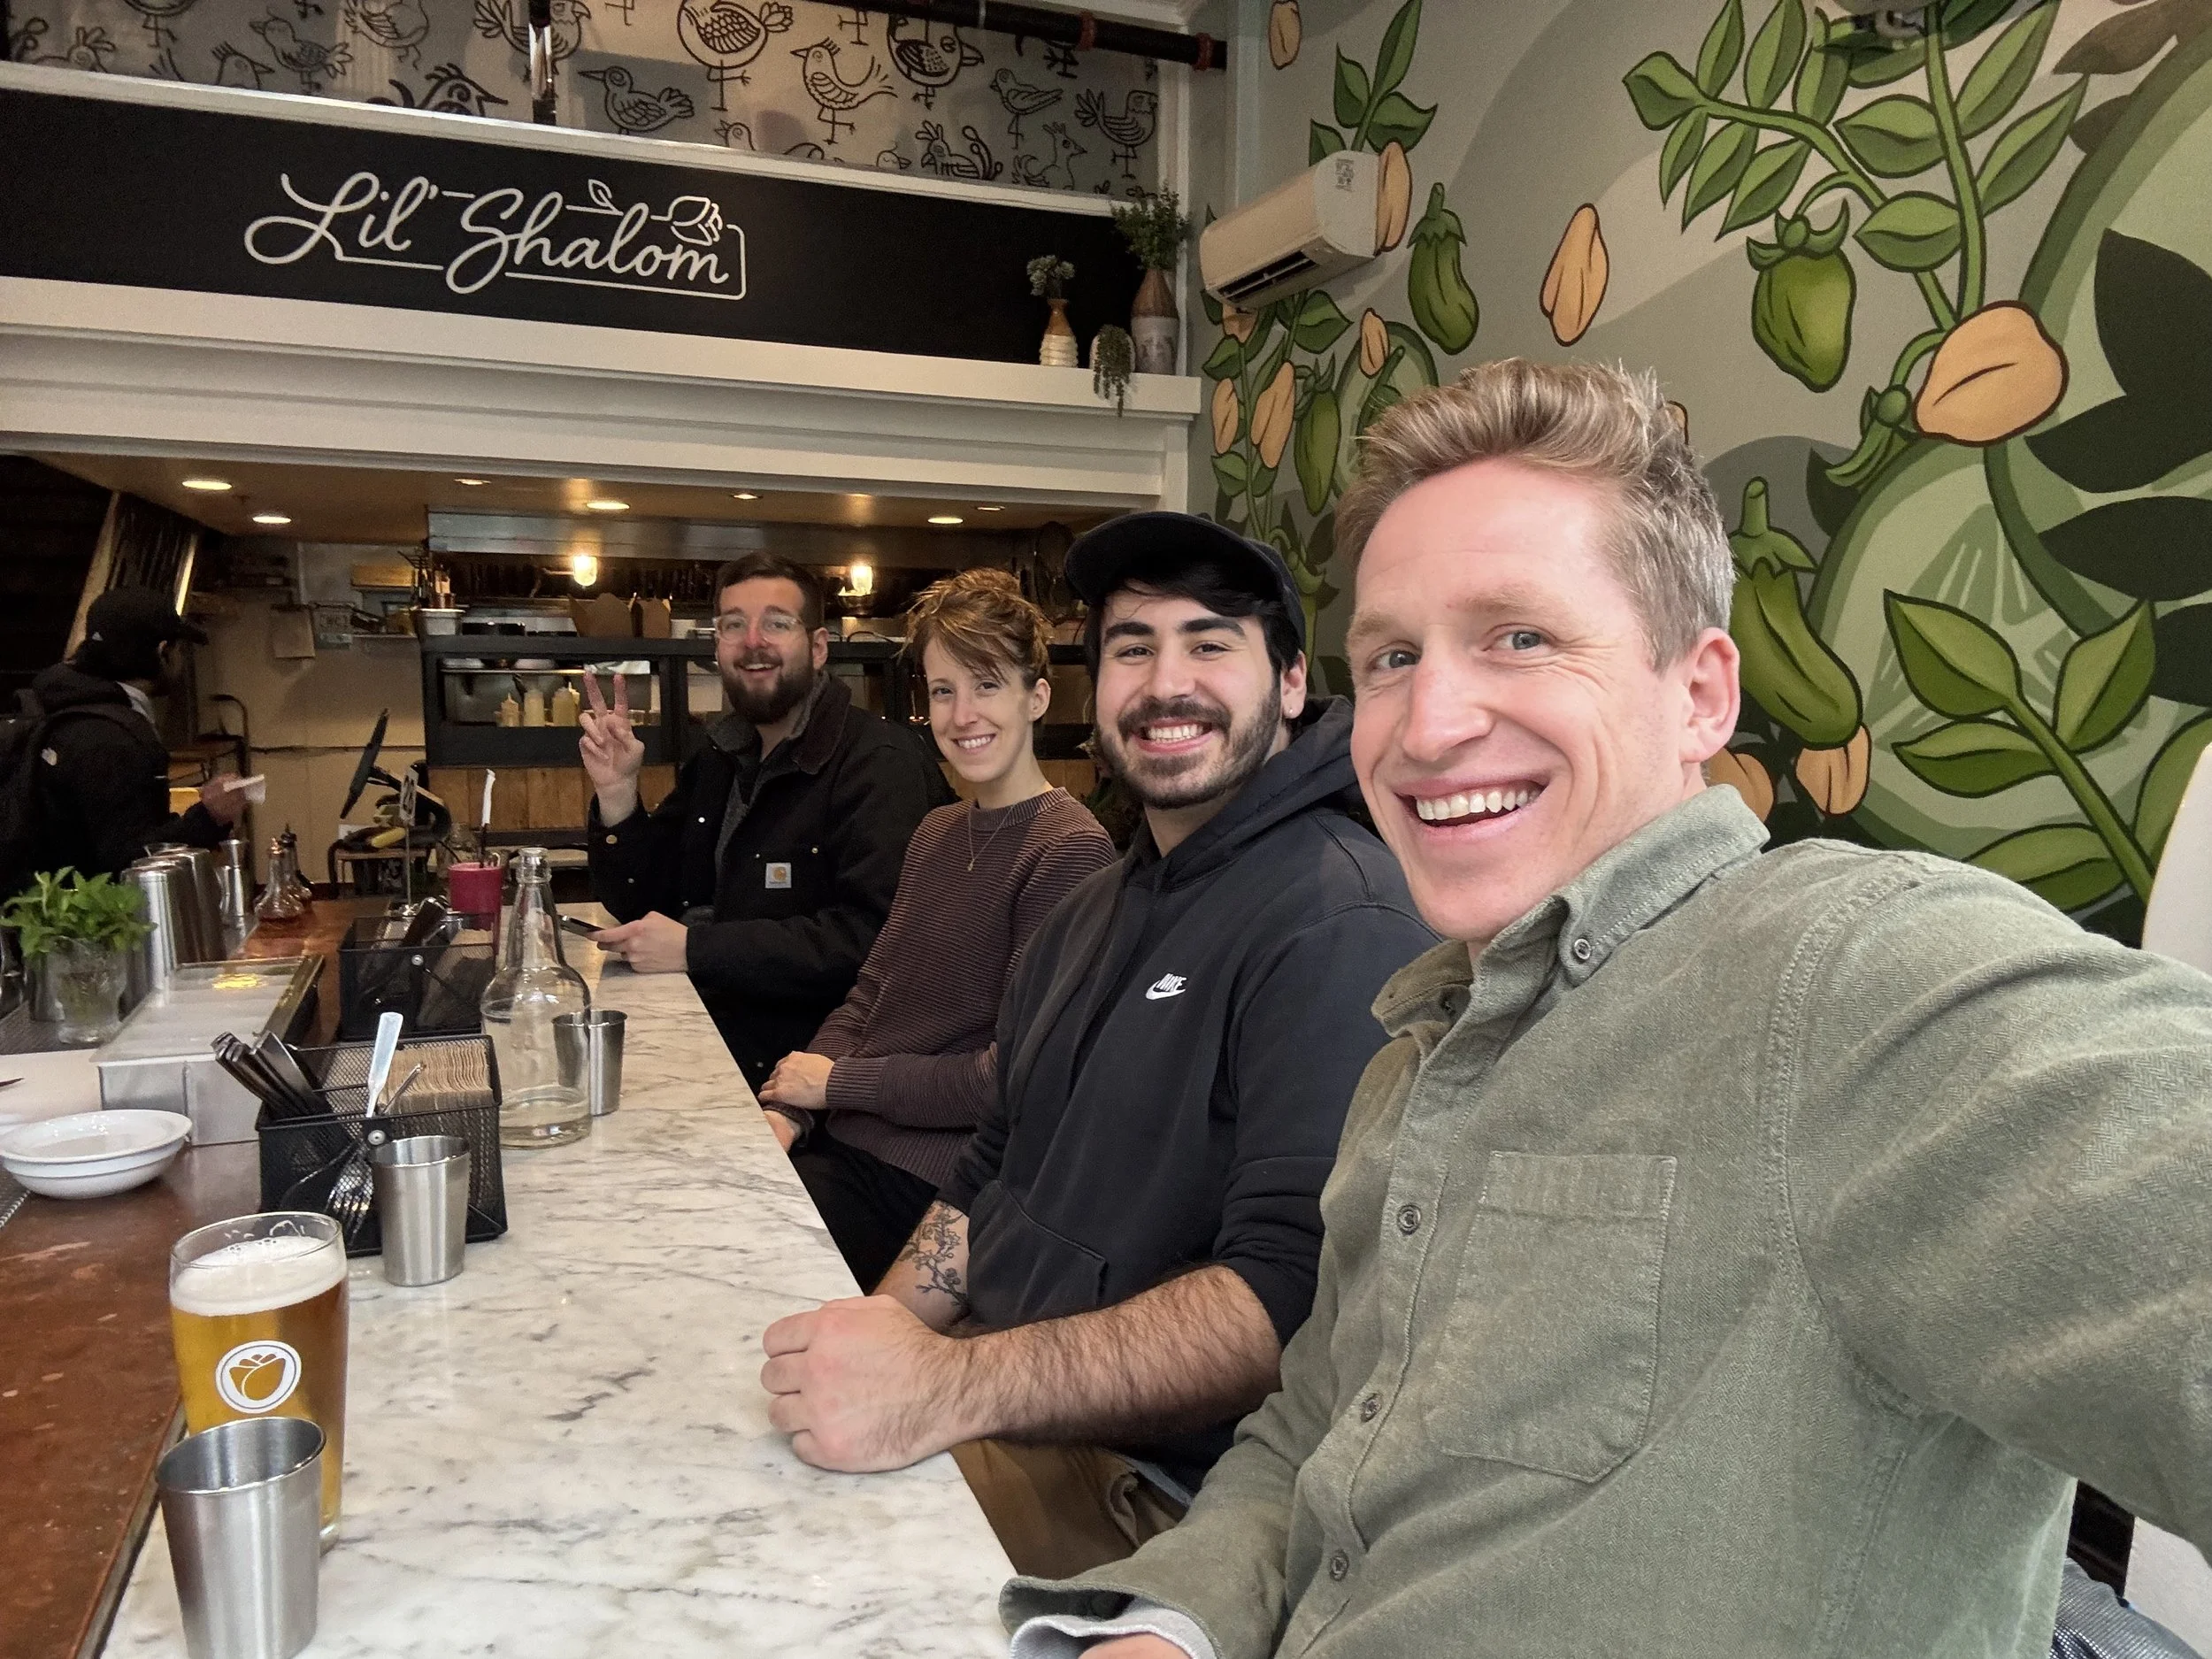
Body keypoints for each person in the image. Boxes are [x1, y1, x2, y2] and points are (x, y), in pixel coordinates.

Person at [995, 359, 2212, 1659]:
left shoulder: (1856, 977)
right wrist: (1171, 1627)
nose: (1428, 723)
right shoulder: (1414, 1050)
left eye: (1519, 637)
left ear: (1700, 695)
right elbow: (1314, 1427)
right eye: (1394, 655)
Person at [757, 513, 1437, 1580]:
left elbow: (1291, 1298)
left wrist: (944, 1385)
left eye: (1209, 644)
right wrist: (880, 1335)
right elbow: (991, 1171)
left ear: (1291, 683)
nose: (1166, 683)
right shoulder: (1095, 909)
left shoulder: (1337, 918)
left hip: (1153, 1492)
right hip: (1004, 1397)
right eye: (1132, 648)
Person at [757, 568, 1117, 1291]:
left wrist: (836, 1083)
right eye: (944, 690)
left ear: (1037, 697)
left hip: (935, 1188)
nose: (962, 713)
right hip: (844, 1143)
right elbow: (870, 996)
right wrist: (791, 1108)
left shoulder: (1071, 849)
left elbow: (1005, 1080)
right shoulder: (937, 831)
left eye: (987, 684)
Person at [580, 553, 951, 1090]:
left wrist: (694, 949)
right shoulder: (720, 755)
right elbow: (644, 903)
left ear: (818, 648)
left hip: (814, 1085)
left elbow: (876, 942)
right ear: (717, 647)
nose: (753, 642)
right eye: (734, 625)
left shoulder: (881, 763)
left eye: (776, 624)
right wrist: (617, 792)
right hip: (702, 1049)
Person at [14, 587, 244, 886]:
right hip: (90, 911)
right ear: (163, 651)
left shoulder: (61, 706)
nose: (181, 660)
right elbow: (129, 861)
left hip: (49, 905)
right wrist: (209, 817)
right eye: (179, 650)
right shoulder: (112, 737)